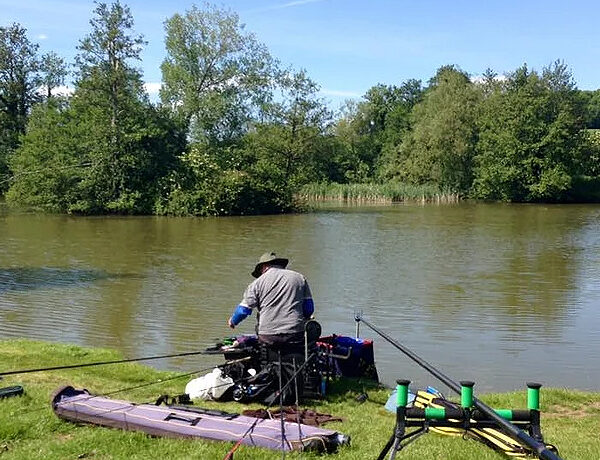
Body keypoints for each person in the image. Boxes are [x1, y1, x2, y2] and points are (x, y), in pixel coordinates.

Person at [228, 252, 314, 353]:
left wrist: (233, 321)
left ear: (264, 266)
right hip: (294, 335)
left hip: (268, 336)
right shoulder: (300, 278)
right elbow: (309, 309)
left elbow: (243, 311)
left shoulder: (256, 283)